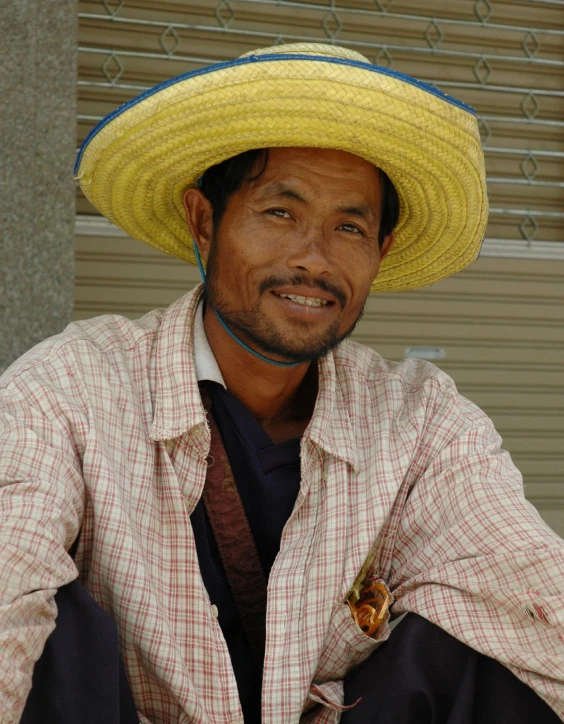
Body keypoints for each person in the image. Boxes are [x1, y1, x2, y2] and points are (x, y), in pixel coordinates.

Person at [1, 42, 563, 724]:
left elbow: (529, 581)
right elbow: (11, 573)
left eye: (349, 226)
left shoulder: (421, 420)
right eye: (279, 213)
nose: (313, 259)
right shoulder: (71, 388)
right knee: (60, 632)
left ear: (379, 252)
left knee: (478, 649)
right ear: (204, 224)